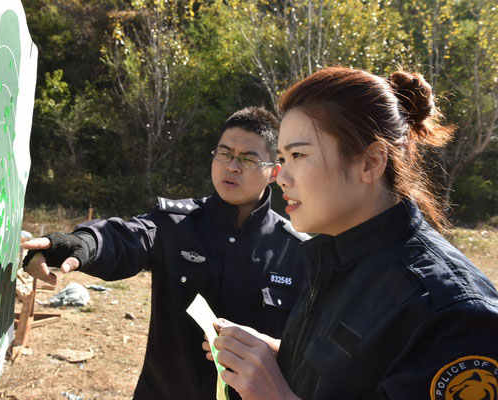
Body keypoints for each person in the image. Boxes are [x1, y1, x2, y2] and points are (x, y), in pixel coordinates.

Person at [204, 67, 498, 399]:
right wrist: (274, 355)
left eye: (298, 155)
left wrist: (275, 395)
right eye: (282, 157)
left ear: (371, 162)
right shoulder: (336, 260)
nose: (282, 177)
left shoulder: (453, 317)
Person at [21, 107, 309, 399]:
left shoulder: (298, 251)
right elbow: (127, 238)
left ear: (274, 171)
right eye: (225, 154)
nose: (232, 166)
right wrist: (79, 244)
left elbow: (308, 351)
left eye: (248, 159)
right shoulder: (175, 223)